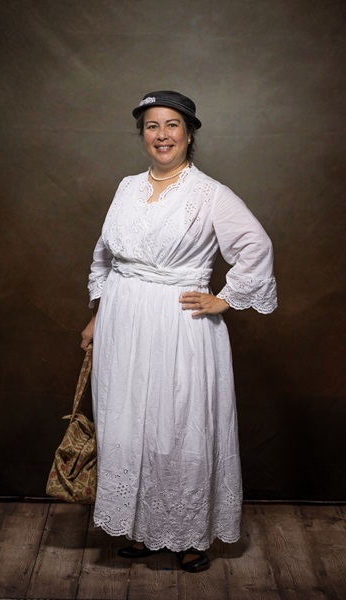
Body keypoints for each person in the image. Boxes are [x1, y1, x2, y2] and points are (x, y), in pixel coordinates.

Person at [80, 90, 277, 573]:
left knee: (178, 429)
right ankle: (144, 531)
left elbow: (256, 244)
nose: (161, 135)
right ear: (142, 135)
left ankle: (190, 534)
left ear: (189, 133)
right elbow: (105, 254)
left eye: (172, 125)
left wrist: (224, 298)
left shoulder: (209, 193)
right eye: (151, 126)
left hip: (178, 325)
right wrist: (97, 314)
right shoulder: (127, 187)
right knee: (128, 426)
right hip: (122, 323)